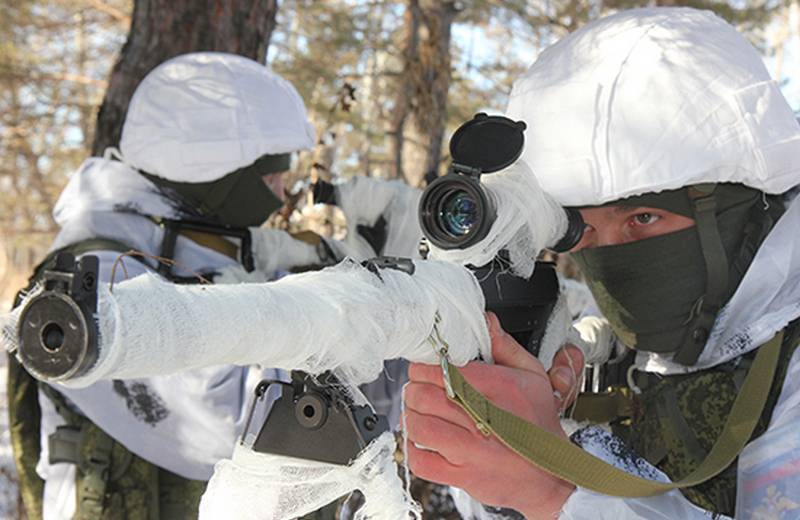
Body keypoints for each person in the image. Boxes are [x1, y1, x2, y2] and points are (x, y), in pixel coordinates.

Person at [403, 7, 800, 519]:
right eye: (582, 229)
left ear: (740, 209)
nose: (610, 255)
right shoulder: (628, 352)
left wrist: (553, 490)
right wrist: (508, 445)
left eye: (642, 218)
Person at [8, 52, 412, 520]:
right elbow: (243, 425)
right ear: (215, 174)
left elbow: (362, 396)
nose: (281, 194)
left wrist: (412, 309)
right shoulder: (95, 282)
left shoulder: (203, 250)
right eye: (270, 176)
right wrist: (379, 317)